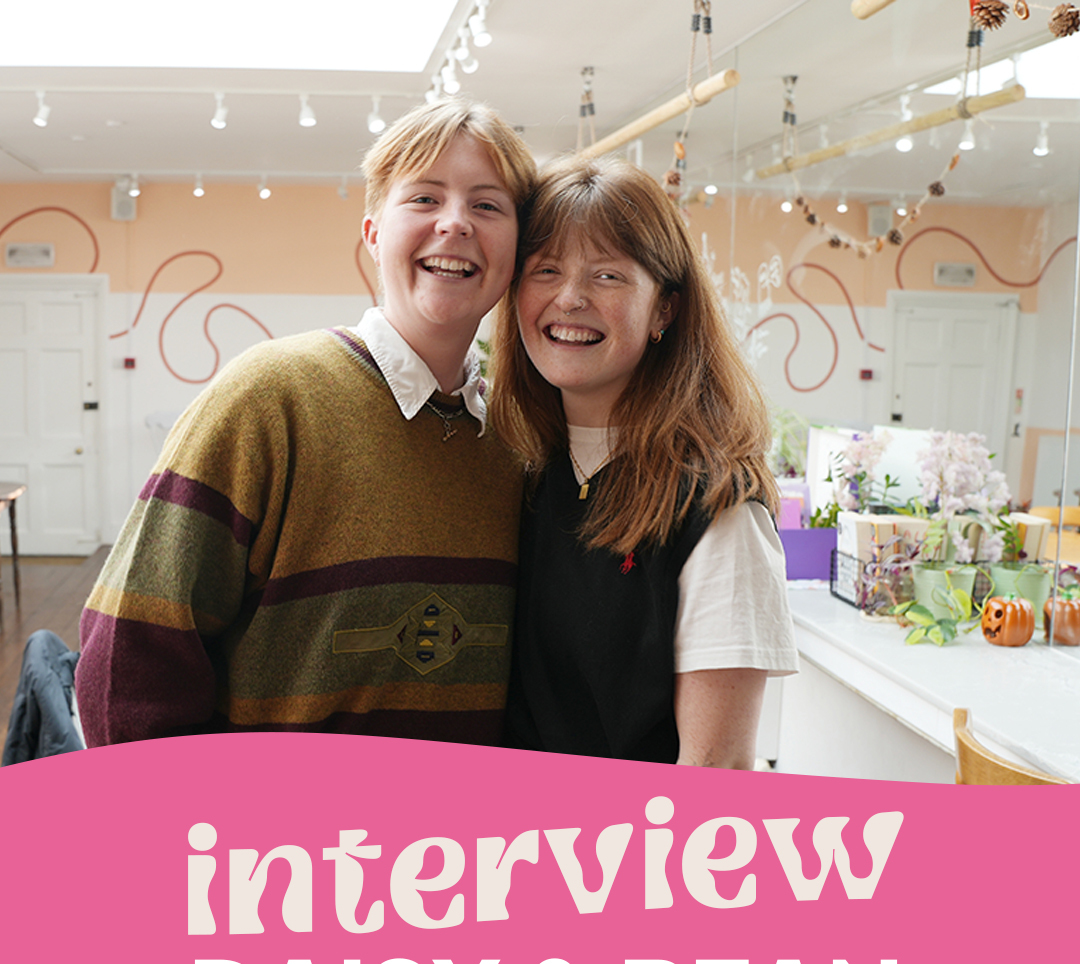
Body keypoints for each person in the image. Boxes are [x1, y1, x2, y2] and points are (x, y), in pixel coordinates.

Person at [76, 99, 536, 745]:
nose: (455, 224)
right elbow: (128, 659)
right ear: (374, 234)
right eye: (425, 199)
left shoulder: (518, 444)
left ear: (517, 250)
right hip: (272, 841)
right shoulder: (269, 398)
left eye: (487, 205)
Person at [490, 155, 798, 767]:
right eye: (545, 269)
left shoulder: (716, 506)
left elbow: (717, 774)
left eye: (607, 276)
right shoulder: (518, 470)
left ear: (665, 309)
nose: (570, 298)